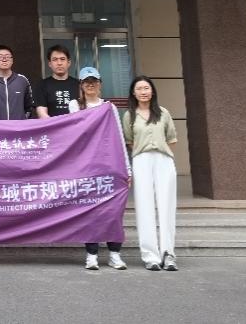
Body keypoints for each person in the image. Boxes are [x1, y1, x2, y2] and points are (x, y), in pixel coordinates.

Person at [69, 66, 131, 271]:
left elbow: (118, 136)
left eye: (94, 81)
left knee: (113, 211)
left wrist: (127, 169)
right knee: (90, 212)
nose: (90, 85)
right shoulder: (74, 105)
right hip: (86, 166)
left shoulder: (109, 107)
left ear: (100, 84)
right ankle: (92, 254)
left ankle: (115, 254)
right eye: (86, 82)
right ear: (81, 85)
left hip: (109, 165)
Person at [124, 75, 179, 272]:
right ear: (133, 93)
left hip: (164, 160)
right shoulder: (129, 115)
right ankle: (150, 256)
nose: (143, 92)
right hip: (141, 160)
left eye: (146, 88)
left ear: (152, 91)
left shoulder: (163, 113)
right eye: (139, 88)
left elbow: (172, 139)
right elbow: (129, 142)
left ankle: (168, 254)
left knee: (166, 206)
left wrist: (161, 154)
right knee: (144, 206)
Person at [0, 45, 35, 120]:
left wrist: (22, 122)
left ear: (12, 60)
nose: (4, 59)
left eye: (7, 56)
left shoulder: (22, 80)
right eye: (0, 57)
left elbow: (29, 106)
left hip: (18, 125)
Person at [34, 44, 79, 118]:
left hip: (76, 124)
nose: (59, 63)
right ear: (50, 64)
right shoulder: (42, 85)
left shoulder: (78, 84)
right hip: (52, 125)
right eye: (55, 59)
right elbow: (41, 112)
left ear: (69, 63)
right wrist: (56, 124)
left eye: (62, 59)